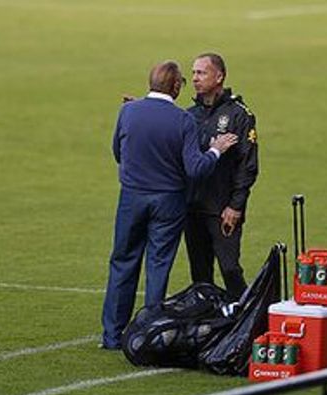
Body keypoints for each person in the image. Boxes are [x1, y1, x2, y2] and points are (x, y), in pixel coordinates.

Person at [100, 60, 238, 350]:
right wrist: (216, 149)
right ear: (176, 86)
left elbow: (118, 152)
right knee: (158, 265)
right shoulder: (182, 120)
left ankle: (111, 336)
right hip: (168, 201)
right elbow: (196, 168)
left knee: (123, 262)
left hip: (132, 196)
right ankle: (146, 334)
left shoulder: (128, 111)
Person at [185, 53, 259, 302]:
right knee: (200, 275)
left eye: (201, 72)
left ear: (219, 76)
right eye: (193, 73)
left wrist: (236, 205)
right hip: (193, 207)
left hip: (222, 209)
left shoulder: (239, 114)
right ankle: (208, 328)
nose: (195, 78)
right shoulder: (189, 115)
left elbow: (247, 165)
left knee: (230, 269)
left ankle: (245, 320)